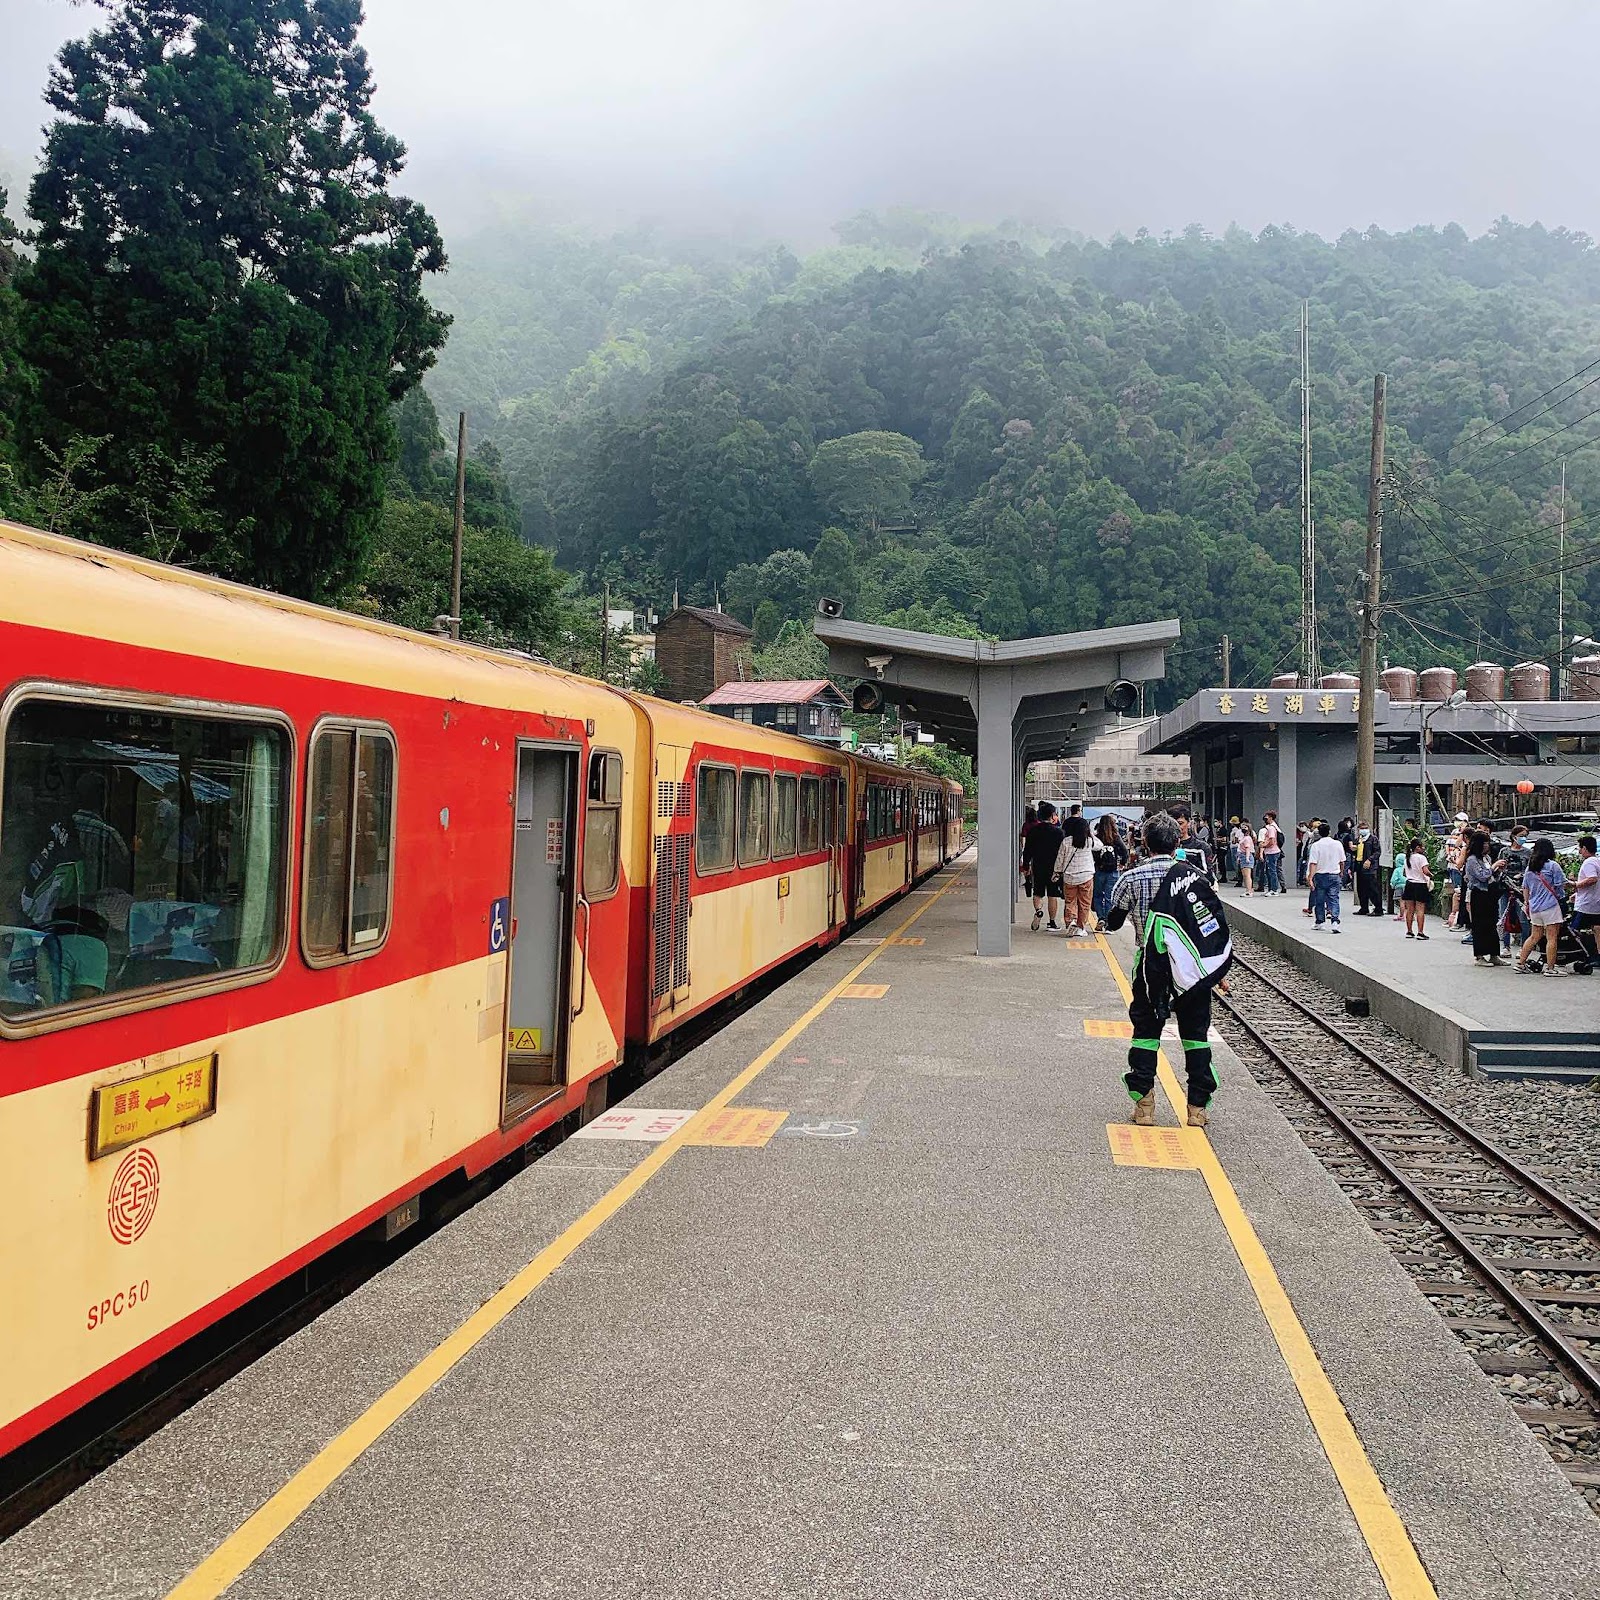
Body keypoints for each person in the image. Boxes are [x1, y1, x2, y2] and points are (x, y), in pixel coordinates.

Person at [1104, 810, 1232, 1130]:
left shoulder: (1131, 878)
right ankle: (1197, 1109)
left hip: (1150, 969)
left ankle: (1144, 1106)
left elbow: (1114, 921)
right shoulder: (1195, 878)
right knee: (1195, 1035)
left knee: (1146, 1034)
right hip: (1191, 971)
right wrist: (1218, 972)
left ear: (1144, 843)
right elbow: (1211, 928)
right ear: (1177, 842)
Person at [1515, 838, 1571, 975]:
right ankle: (1550, 968)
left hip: (1534, 907)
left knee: (1534, 936)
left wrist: (1527, 903)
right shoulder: (1553, 866)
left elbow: (1525, 887)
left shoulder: (1530, 867)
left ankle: (1521, 963)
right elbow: (1560, 885)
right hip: (1550, 906)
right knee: (1552, 937)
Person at [1462, 831, 1504, 966]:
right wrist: (1494, 867)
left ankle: (1494, 954)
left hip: (1490, 893)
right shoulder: (1472, 860)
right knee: (1480, 925)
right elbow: (1482, 876)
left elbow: (1491, 876)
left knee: (1492, 924)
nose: (1487, 845)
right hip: (1478, 894)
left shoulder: (1487, 858)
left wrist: (1497, 871)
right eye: (1485, 843)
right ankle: (1479, 955)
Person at [1024, 801, 1066, 932]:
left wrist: (1026, 866)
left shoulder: (1033, 831)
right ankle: (1052, 923)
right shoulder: (1059, 832)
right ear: (1052, 815)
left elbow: (1027, 850)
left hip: (1038, 866)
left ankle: (1038, 910)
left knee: (1037, 892)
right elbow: (1063, 852)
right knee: (1052, 894)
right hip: (1054, 868)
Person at [1053, 813, 1097, 936]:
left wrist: (1057, 871)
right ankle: (1081, 928)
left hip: (1070, 876)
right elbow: (1100, 845)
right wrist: (1090, 834)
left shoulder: (1066, 841)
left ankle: (1071, 921)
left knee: (1070, 901)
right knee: (1084, 903)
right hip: (1086, 877)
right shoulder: (1089, 841)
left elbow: (1060, 858)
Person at [1307, 820, 1345, 932]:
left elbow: (1313, 863)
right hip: (1334, 874)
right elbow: (1342, 861)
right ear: (1329, 832)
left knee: (1320, 899)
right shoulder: (1337, 844)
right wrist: (1341, 872)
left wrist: (1310, 877)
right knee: (1334, 898)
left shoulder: (1316, 846)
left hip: (1320, 875)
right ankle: (1335, 921)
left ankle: (1320, 922)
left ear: (1319, 833)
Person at [1091, 813, 1126, 925]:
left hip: (1099, 870)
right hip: (1113, 870)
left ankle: (1101, 918)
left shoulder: (1096, 837)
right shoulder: (1116, 837)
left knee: (1097, 895)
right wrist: (1122, 863)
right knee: (1109, 896)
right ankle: (1107, 921)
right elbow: (1124, 851)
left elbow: (1092, 853)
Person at [1402, 834, 1434, 939]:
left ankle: (1409, 931)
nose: (1423, 848)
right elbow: (1425, 871)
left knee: (1409, 909)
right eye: (1422, 846)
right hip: (1420, 884)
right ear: (1417, 847)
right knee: (1420, 909)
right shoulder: (1422, 858)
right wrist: (1431, 875)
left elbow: (1404, 873)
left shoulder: (1407, 858)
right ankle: (1420, 932)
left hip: (1409, 884)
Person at [1571, 836, 1599, 945]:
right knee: (1596, 928)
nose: (1579, 851)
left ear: (1585, 848)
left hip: (1586, 905)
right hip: (1595, 903)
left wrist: (1576, 885)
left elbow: (1592, 879)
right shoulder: (1597, 861)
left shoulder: (1589, 862)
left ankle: (1584, 951)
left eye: (1580, 848)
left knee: (1574, 931)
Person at [1351, 822, 1382, 915]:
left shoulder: (1373, 839)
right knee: (1361, 888)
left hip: (1369, 867)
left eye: (1365, 828)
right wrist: (1353, 849)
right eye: (1361, 828)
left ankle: (1378, 909)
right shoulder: (1358, 839)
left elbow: (1377, 852)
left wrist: (1370, 860)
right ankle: (1364, 908)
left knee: (1372, 888)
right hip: (1359, 865)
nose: (1363, 830)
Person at [1444, 814, 1468, 930]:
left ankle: (1457, 918)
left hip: (1460, 867)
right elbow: (1448, 847)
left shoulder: (1466, 833)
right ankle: (1454, 917)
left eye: (1459, 820)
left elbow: (1459, 845)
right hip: (1453, 865)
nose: (1457, 822)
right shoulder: (1454, 832)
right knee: (1457, 892)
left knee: (1459, 892)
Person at [1259, 811, 1284, 895]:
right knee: (1270, 871)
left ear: (1270, 817)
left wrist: (1264, 845)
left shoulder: (1271, 828)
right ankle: (1271, 889)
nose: (1265, 818)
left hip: (1272, 852)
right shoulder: (1275, 827)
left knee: (1272, 871)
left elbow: (1272, 841)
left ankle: (1274, 889)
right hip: (1272, 851)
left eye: (1267, 817)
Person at [1236, 820, 1256, 895]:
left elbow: (1247, 849)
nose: (1243, 828)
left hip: (1246, 856)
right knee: (1245, 875)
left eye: (1245, 827)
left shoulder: (1247, 838)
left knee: (1247, 875)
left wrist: (1247, 858)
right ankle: (1248, 890)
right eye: (1242, 827)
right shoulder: (1244, 837)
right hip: (1242, 856)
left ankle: (1249, 891)